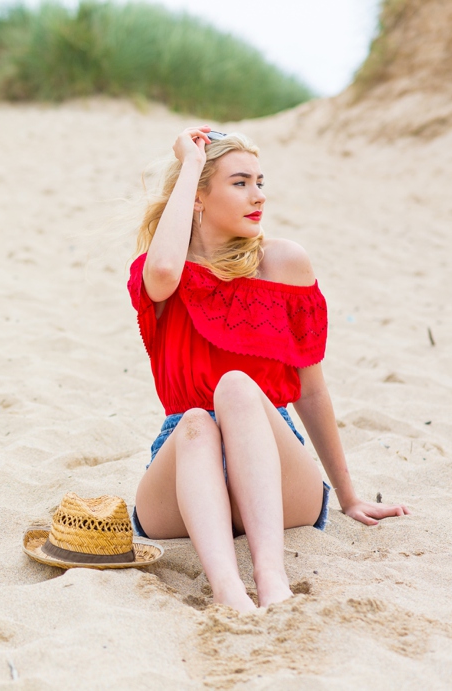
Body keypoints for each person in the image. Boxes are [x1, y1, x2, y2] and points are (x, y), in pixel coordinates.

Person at [127, 125, 410, 612]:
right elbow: (163, 275)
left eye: (260, 181)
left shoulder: (283, 261)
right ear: (196, 196)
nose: (258, 196)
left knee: (237, 387)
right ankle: (227, 590)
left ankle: (270, 575)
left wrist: (349, 495)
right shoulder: (160, 270)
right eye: (240, 183)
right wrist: (190, 163)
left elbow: (311, 390)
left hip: (274, 464)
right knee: (196, 419)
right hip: (186, 472)